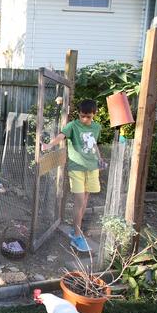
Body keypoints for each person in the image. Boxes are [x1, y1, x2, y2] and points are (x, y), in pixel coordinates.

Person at [41, 99, 105, 252]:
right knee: (79, 201)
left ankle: (76, 230)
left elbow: (94, 145)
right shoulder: (72, 126)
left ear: (94, 115)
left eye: (88, 117)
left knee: (84, 202)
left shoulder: (97, 127)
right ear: (79, 114)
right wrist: (49, 145)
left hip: (92, 168)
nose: (85, 119)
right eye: (82, 116)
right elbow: (61, 136)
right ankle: (76, 236)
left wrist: (100, 159)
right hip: (76, 168)